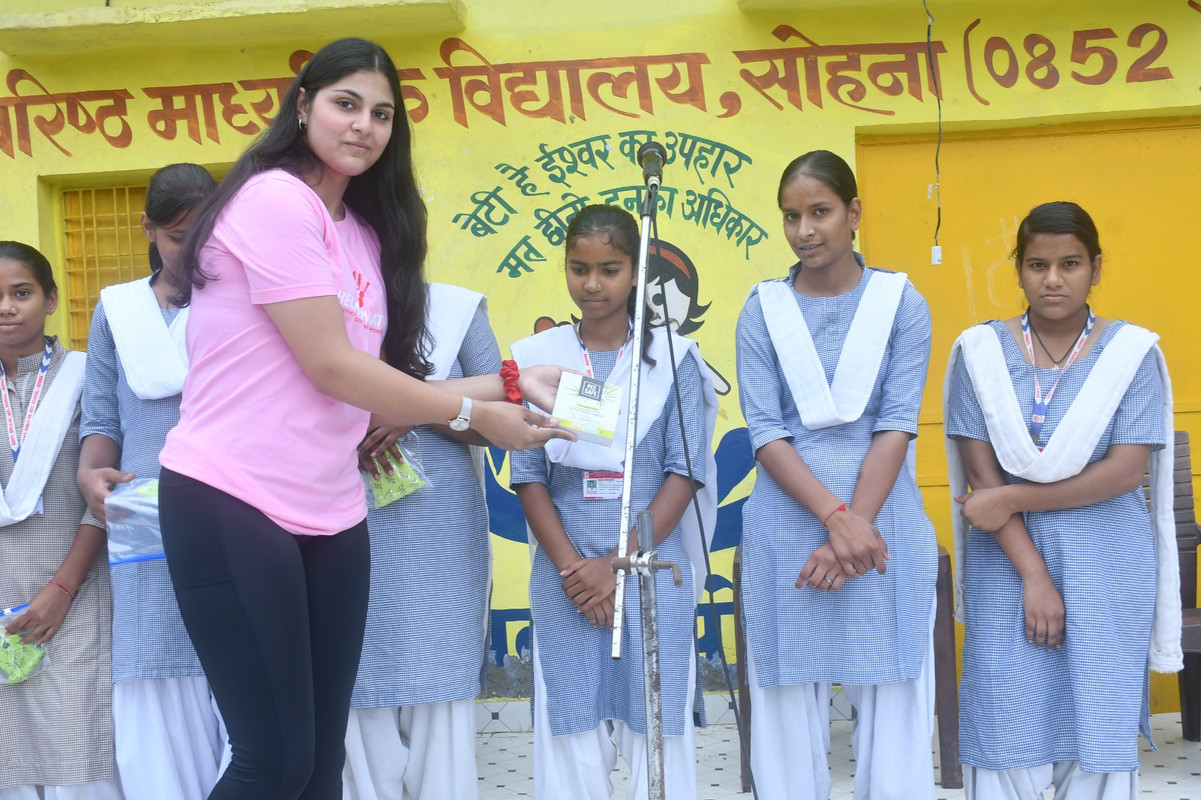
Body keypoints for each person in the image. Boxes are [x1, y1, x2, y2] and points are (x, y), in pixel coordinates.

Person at [156, 37, 571, 800]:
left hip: (331, 512)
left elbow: (377, 382)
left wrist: (517, 380)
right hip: (231, 496)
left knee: (319, 765)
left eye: (382, 114)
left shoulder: (367, 235)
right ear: (304, 103)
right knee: (272, 761)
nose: (363, 126)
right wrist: (481, 410)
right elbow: (331, 367)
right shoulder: (275, 199)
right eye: (346, 104)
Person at [944, 201, 1180, 799]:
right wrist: (1035, 577)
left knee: (1096, 723)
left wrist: (1014, 498)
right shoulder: (981, 354)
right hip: (1008, 562)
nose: (1053, 279)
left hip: (1107, 564)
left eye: (1070, 263)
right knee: (1004, 719)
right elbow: (981, 472)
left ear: (1096, 269)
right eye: (1037, 264)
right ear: (1017, 269)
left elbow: (1125, 472)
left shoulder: (1131, 355)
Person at [734, 150, 939, 800]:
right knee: (788, 700)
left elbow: (896, 426)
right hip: (792, 529)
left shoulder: (901, 304)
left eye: (819, 212)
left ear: (852, 212)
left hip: (880, 531)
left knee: (892, 689)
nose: (804, 231)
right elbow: (765, 433)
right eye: (790, 216)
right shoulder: (761, 310)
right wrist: (834, 518)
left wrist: (853, 525)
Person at [509, 203, 718, 800]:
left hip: (648, 573)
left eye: (610, 269)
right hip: (566, 580)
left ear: (636, 272)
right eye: (579, 268)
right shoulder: (536, 358)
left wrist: (617, 567)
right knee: (570, 728)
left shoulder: (671, 359)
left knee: (657, 726)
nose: (592, 284)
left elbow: (683, 474)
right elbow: (528, 475)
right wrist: (579, 570)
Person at [77, 163, 223, 800]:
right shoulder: (118, 312)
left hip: (236, 508)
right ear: (148, 229)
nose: (190, 252)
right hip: (144, 518)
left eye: (204, 235)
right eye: (175, 237)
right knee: (158, 658)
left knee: (236, 655)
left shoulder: (249, 303)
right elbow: (103, 416)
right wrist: (90, 471)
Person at [343, 282, 501, 800]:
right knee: (355, 688)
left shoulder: (456, 310)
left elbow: (504, 405)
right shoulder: (320, 307)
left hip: (442, 539)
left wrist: (412, 408)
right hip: (342, 521)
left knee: (439, 691)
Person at [0, 241, 122, 799]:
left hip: (76, 595)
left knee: (80, 753)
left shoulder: (84, 379)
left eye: (20, 293)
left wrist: (62, 588)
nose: (6, 307)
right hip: (4, 600)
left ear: (50, 299)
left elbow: (104, 496)